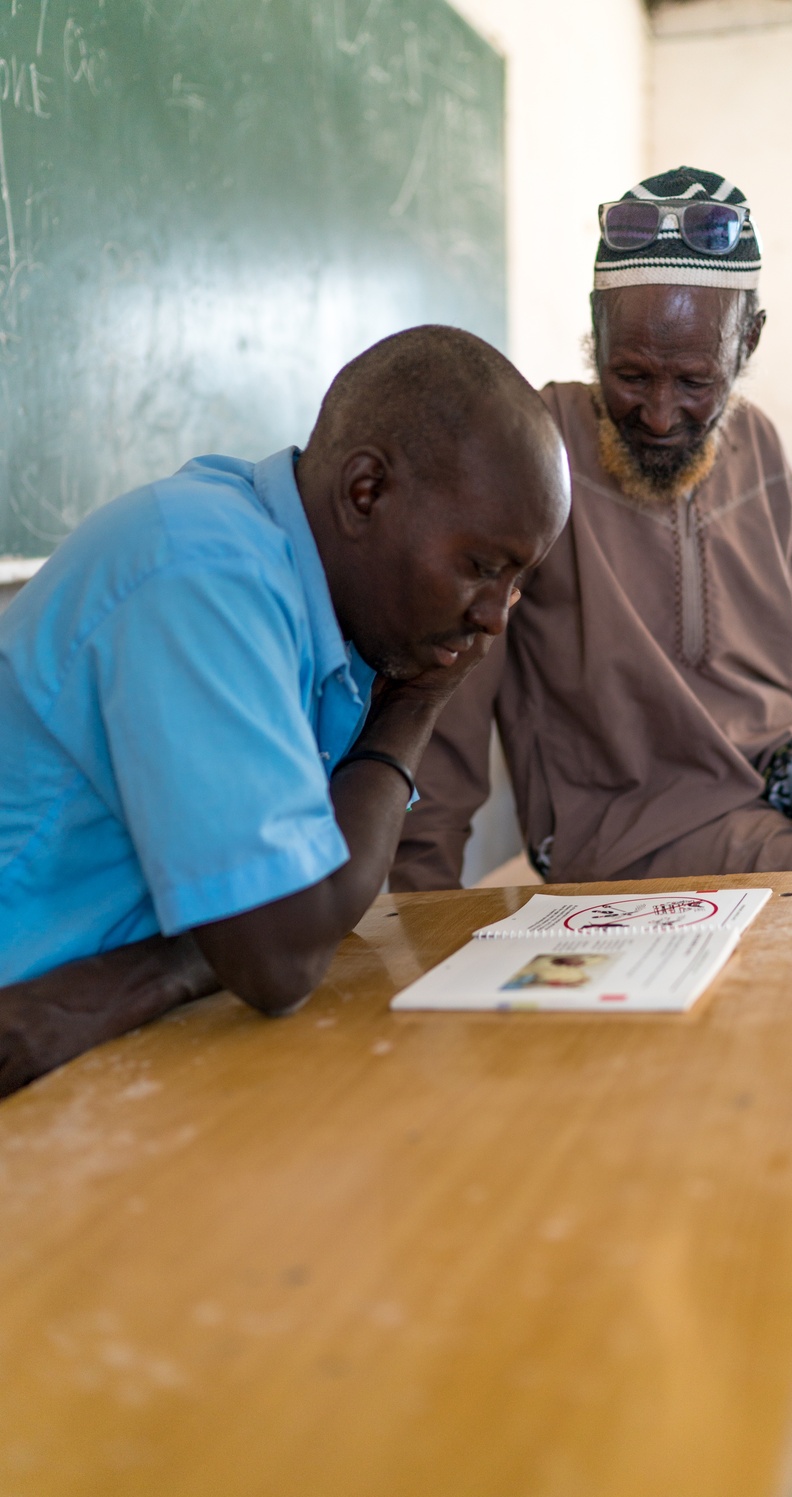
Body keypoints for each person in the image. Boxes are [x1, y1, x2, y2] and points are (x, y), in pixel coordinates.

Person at [391, 169, 792, 1474]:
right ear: (593, 343)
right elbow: (451, 695)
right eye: (632, 375)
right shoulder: (534, 452)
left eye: (692, 381)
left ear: (748, 345)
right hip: (652, 834)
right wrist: (411, 915)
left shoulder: (763, 449)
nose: (660, 413)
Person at [0, 325, 570, 1097]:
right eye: (480, 566)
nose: (497, 616)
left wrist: (181, 957)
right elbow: (281, 957)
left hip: (109, 1038)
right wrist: (418, 704)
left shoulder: (324, 613)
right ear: (364, 491)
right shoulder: (203, 572)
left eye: (520, 578)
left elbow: (307, 907)